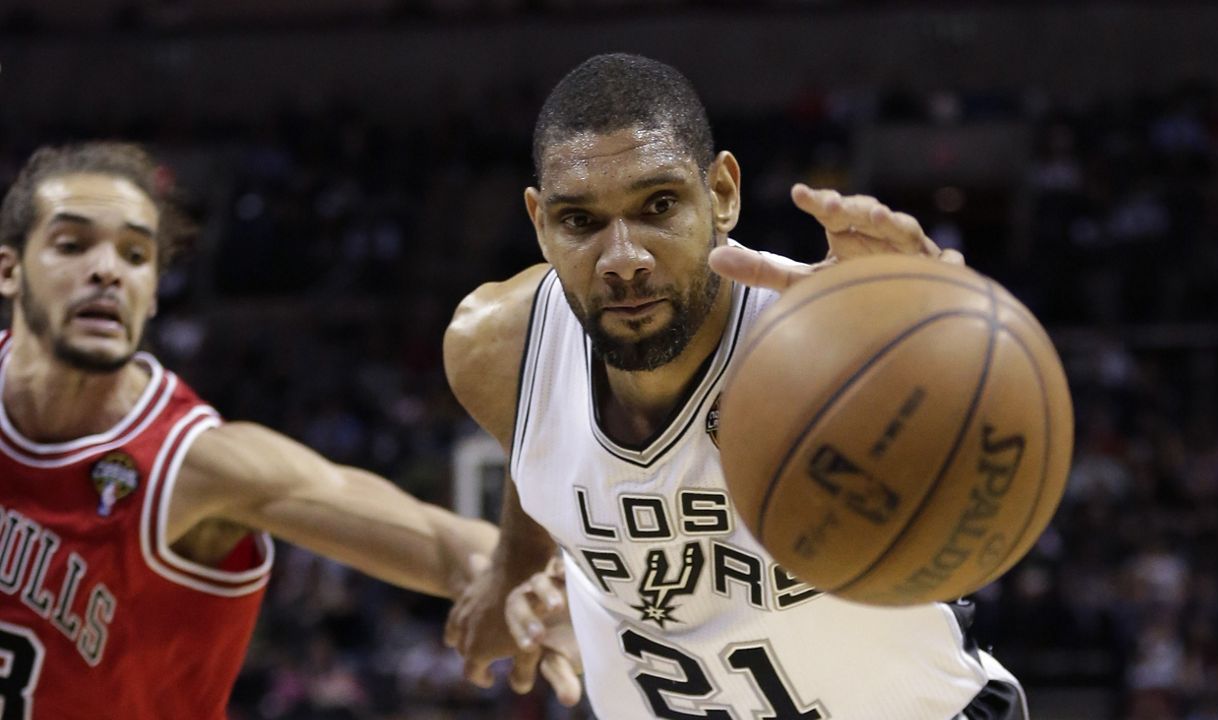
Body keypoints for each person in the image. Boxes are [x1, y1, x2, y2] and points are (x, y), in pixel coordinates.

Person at [443, 53, 1028, 719]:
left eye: (659, 204)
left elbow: (984, 475)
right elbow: (538, 454)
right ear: (540, 224)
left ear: (722, 193)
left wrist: (932, 331)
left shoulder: (833, 351)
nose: (624, 260)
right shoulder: (493, 352)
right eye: (581, 221)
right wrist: (513, 562)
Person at [0, 141, 579, 719]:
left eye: (134, 254)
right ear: (9, 270)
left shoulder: (194, 463)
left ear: (152, 293)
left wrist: (526, 587)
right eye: (71, 245)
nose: (106, 271)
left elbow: (443, 544)